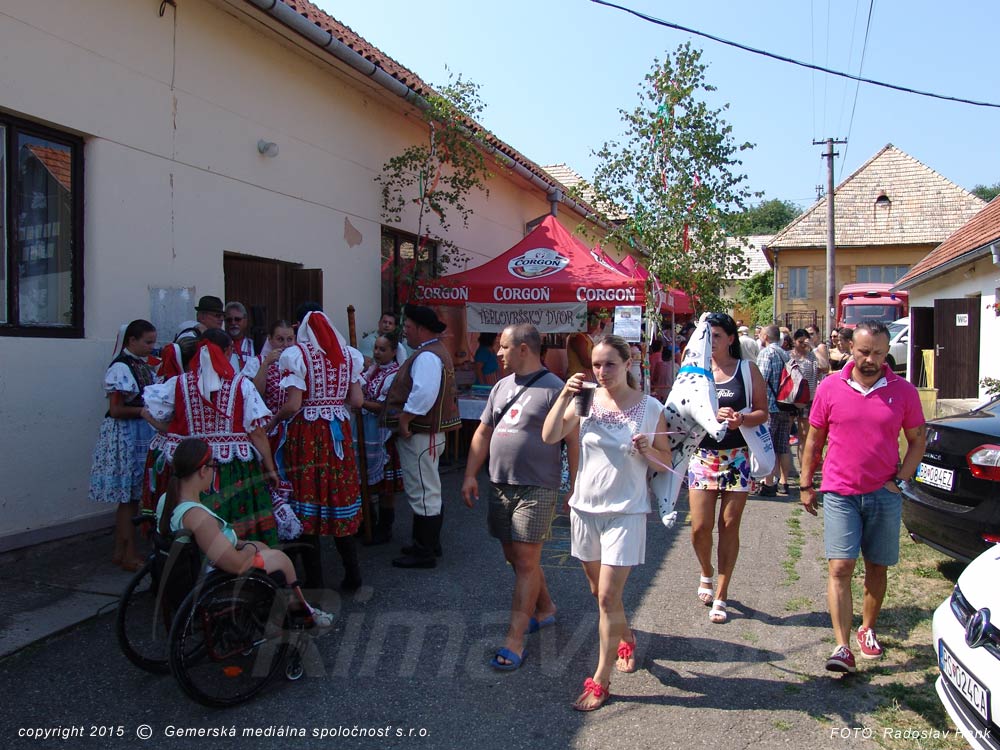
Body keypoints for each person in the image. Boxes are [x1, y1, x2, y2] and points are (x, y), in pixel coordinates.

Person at [542, 336, 672, 711]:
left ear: (628, 364)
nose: (601, 372)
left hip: (626, 512)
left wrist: (649, 450)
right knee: (599, 592)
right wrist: (564, 396)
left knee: (606, 597)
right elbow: (549, 435)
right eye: (596, 365)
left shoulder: (650, 407)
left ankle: (601, 678)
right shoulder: (585, 398)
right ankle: (625, 635)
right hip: (585, 509)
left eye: (610, 364)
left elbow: (666, 463)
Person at [799, 321, 926, 673]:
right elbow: (814, 439)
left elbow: (917, 441)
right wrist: (806, 483)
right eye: (864, 352)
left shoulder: (903, 391)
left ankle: (867, 628)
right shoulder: (830, 386)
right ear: (849, 349)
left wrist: (900, 480)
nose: (870, 359)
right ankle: (842, 647)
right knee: (840, 566)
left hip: (883, 492)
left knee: (876, 565)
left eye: (878, 353)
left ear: (887, 354)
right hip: (840, 491)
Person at [461, 324, 577, 670]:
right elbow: (483, 432)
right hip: (500, 483)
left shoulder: (555, 388)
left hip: (537, 486)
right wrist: (469, 474)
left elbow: (573, 441)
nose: (498, 353)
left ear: (524, 348)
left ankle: (514, 640)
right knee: (514, 556)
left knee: (525, 560)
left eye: (504, 346)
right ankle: (545, 608)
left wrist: (575, 485)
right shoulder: (501, 386)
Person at [156, 437, 333, 628]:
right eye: (214, 466)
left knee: (265, 551)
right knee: (281, 560)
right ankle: (302, 613)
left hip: (188, 573)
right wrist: (249, 547)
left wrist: (242, 544)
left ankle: (299, 609)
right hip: (215, 578)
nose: (215, 472)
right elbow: (237, 565)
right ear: (203, 471)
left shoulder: (167, 499)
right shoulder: (197, 516)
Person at [142, 328, 279, 546]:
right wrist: (270, 468)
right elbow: (257, 432)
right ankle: (234, 556)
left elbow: (151, 412)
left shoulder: (179, 383)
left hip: (192, 466)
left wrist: (175, 432)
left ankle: (190, 556)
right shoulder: (241, 384)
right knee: (236, 516)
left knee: (191, 514)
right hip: (233, 468)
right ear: (228, 351)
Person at [267, 304, 365, 592]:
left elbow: (294, 404)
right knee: (338, 496)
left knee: (306, 496)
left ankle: (315, 579)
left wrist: (274, 420)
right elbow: (357, 401)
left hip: (308, 434)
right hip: (338, 435)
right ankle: (353, 574)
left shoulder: (297, 354)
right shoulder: (348, 355)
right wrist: (334, 401)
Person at [688, 314, 769, 624]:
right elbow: (681, 408)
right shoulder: (695, 369)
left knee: (729, 525)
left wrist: (741, 419)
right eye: (708, 336)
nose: (712, 341)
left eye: (718, 336)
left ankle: (721, 593)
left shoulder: (746, 370)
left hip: (736, 456)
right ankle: (705, 571)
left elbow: (763, 411)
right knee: (699, 527)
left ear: (731, 338)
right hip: (703, 455)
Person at [383, 305, 461, 569]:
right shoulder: (433, 352)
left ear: (421, 329)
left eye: (408, 327)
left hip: (421, 433)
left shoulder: (427, 355)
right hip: (428, 433)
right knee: (428, 488)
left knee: (423, 492)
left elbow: (423, 394)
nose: (405, 331)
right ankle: (428, 543)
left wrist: (405, 419)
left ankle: (424, 551)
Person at [88, 319, 159, 571]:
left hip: (138, 431)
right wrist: (143, 412)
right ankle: (128, 553)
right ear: (132, 340)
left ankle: (121, 551)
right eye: (147, 342)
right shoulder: (121, 367)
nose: (151, 347)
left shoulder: (140, 365)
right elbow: (116, 409)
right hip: (125, 434)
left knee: (131, 498)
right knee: (128, 498)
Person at [360, 331, 404, 545]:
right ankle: (367, 519)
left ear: (394, 352)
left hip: (384, 433)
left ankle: (384, 527)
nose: (377, 352)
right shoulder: (372, 370)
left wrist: (361, 403)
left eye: (382, 349)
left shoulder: (395, 375)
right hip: (366, 430)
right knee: (364, 476)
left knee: (387, 483)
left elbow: (386, 407)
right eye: (376, 348)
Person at [756, 325, 794, 496]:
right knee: (783, 446)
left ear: (765, 336)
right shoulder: (785, 354)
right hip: (785, 404)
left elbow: (761, 380)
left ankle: (769, 482)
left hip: (769, 406)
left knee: (768, 446)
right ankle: (784, 482)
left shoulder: (767, 353)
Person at [790, 329, 819, 466]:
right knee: (785, 434)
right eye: (800, 342)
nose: (802, 345)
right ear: (794, 341)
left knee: (804, 434)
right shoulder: (788, 355)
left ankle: (803, 467)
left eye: (805, 342)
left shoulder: (812, 356)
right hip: (789, 400)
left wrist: (812, 346)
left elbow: (824, 366)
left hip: (807, 399)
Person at [225, 301, 255, 371]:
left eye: (237, 319)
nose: (233, 323)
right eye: (229, 320)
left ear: (245, 321)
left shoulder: (255, 345)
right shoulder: (221, 345)